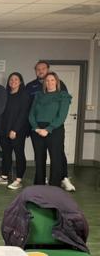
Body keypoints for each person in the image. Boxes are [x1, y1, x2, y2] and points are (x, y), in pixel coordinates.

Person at [26, 61, 75, 191]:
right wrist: (36, 128)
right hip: (37, 130)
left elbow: (61, 116)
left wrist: (48, 129)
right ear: (44, 83)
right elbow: (31, 114)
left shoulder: (62, 96)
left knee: (56, 158)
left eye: (52, 80)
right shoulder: (38, 96)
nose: (49, 82)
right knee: (39, 159)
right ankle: (39, 185)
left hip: (55, 129)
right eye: (47, 81)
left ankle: (54, 186)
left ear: (56, 81)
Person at [0, 72, 29, 190]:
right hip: (4, 131)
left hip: (17, 131)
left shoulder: (24, 95)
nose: (13, 81)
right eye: (11, 80)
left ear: (20, 82)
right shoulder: (6, 94)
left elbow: (23, 114)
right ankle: (4, 176)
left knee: (19, 154)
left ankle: (18, 180)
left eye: (16, 79)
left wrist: (15, 130)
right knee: (6, 154)